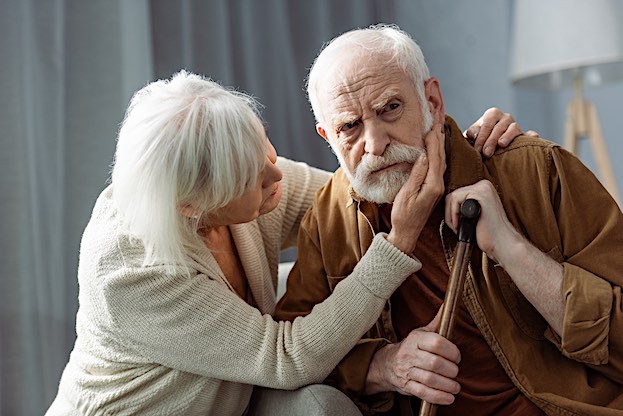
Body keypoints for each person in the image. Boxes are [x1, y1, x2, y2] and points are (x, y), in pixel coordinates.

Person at [45, 69, 531, 416]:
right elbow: (286, 358)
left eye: (265, 150)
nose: (277, 174)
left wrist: (466, 151)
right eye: (253, 179)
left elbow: (355, 196)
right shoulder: (135, 274)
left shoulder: (234, 178)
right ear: (193, 207)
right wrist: (399, 241)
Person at [274, 24, 623, 416]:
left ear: (433, 101)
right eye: (349, 127)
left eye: (390, 108)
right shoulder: (328, 219)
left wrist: (511, 248)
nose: (375, 143)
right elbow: (294, 358)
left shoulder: (537, 169)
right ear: (328, 137)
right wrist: (381, 366)